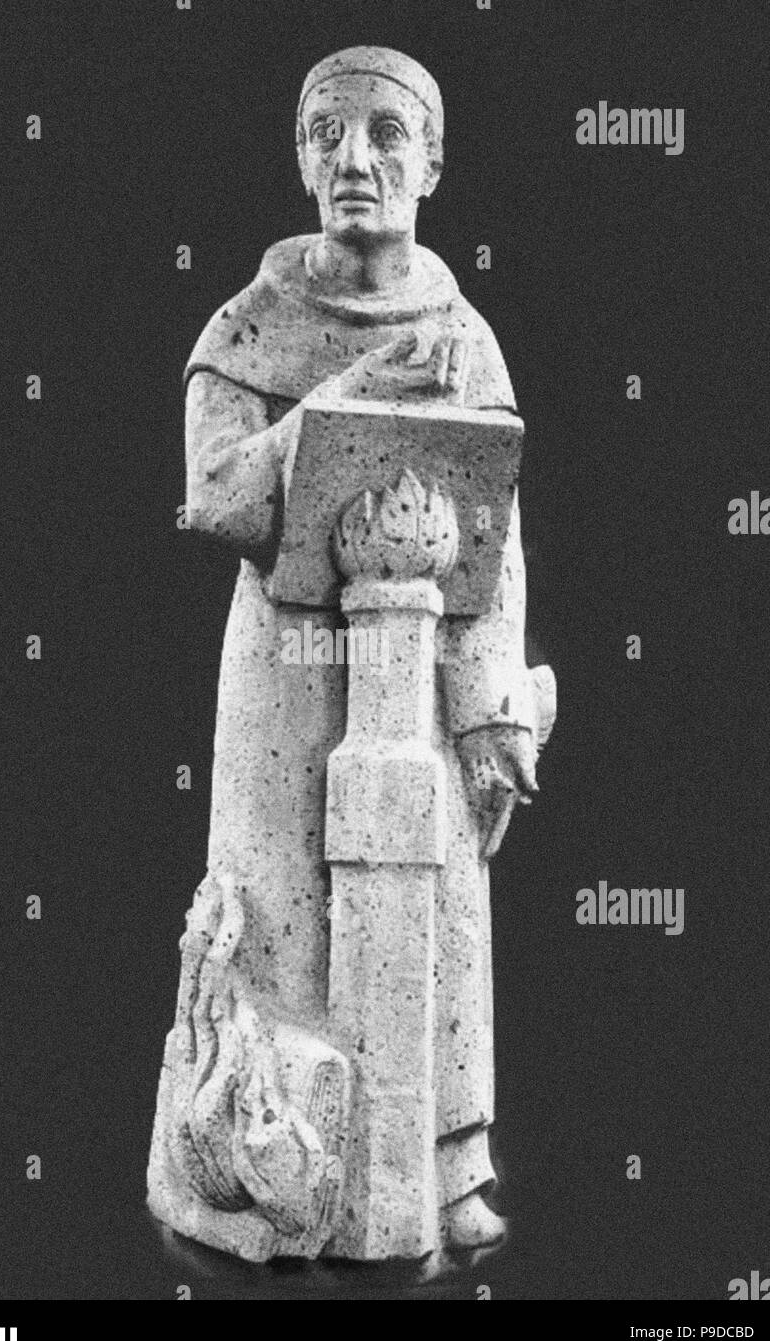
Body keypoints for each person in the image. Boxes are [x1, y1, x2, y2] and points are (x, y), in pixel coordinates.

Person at [179, 47, 550, 1253]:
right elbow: (220, 496)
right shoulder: (251, 322)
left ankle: (445, 1167)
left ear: (431, 163)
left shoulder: (463, 338)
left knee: (435, 902)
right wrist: (352, 390)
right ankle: (267, 1171)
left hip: (426, 662)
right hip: (286, 667)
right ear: (299, 157)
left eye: (387, 135)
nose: (355, 160)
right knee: (279, 910)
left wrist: (491, 711)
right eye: (328, 133)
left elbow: (494, 531)